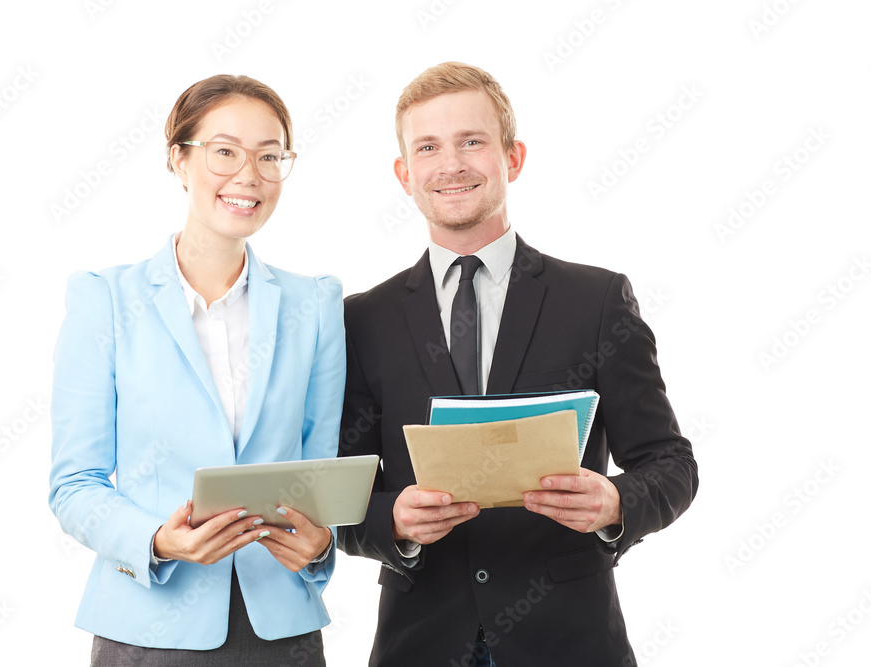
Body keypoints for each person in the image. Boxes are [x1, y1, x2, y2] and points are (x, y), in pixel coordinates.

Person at [337, 62, 699, 666]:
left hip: (570, 642)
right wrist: (390, 519)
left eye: (471, 141)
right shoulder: (363, 319)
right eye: (428, 147)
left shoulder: (596, 301)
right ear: (405, 173)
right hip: (420, 644)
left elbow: (670, 463)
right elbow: (341, 490)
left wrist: (614, 503)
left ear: (514, 157)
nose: (450, 165)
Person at [49, 74, 345, 666]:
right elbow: (73, 485)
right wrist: (156, 540)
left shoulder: (315, 305)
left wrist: (320, 547)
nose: (249, 175)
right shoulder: (104, 299)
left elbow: (324, 477)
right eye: (225, 151)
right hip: (147, 626)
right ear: (178, 161)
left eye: (269, 156)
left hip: (280, 631)